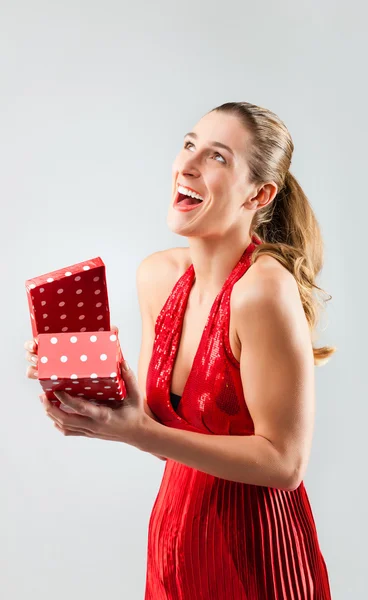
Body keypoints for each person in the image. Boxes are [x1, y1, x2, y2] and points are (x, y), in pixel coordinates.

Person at [24, 101, 335, 599]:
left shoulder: (262, 291)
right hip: (176, 541)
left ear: (260, 193)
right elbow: (162, 428)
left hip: (257, 553)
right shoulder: (158, 277)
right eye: (189, 144)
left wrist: (139, 432)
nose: (186, 165)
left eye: (217, 157)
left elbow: (285, 464)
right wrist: (96, 390)